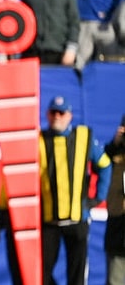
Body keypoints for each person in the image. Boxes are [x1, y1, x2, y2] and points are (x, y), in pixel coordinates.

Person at [39, 95, 112, 285]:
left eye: (61, 113)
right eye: (53, 112)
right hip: (48, 220)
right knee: (41, 273)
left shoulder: (83, 138)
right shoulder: (39, 140)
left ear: (69, 115)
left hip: (77, 219)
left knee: (77, 275)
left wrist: (98, 197)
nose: (57, 116)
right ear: (47, 114)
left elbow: (105, 164)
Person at [105, 115, 125, 285]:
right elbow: (101, 163)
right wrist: (114, 143)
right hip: (118, 226)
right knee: (115, 280)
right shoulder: (115, 152)